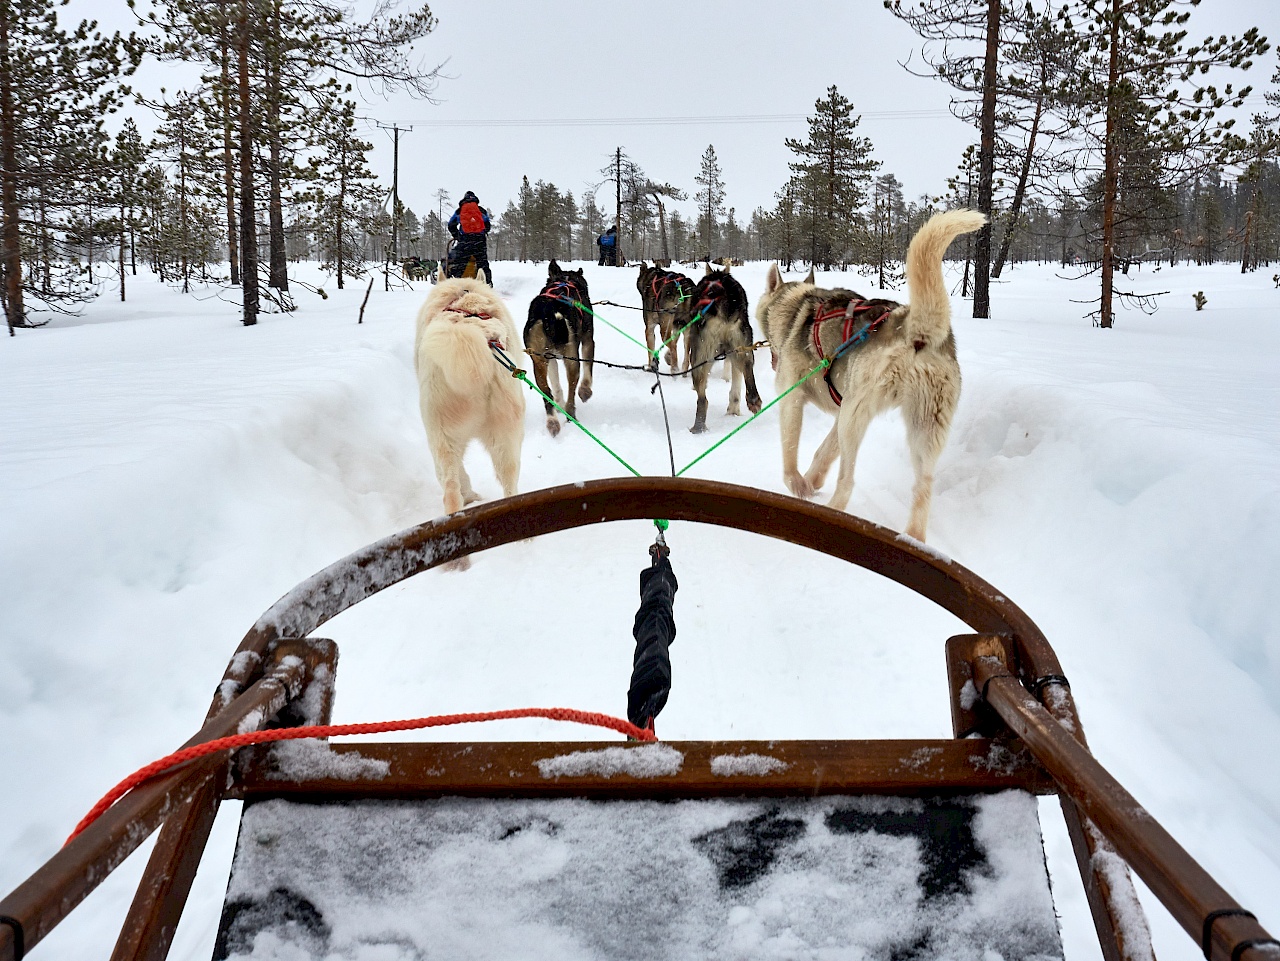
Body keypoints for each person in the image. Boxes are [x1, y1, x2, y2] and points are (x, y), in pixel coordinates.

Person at [447, 190, 493, 283]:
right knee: (483, 264)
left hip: (465, 240)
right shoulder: (481, 210)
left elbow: (451, 225)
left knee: (460, 263)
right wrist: (482, 233)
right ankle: (488, 284)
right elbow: (487, 225)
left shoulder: (459, 211)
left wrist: (457, 235)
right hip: (479, 241)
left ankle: (455, 283)